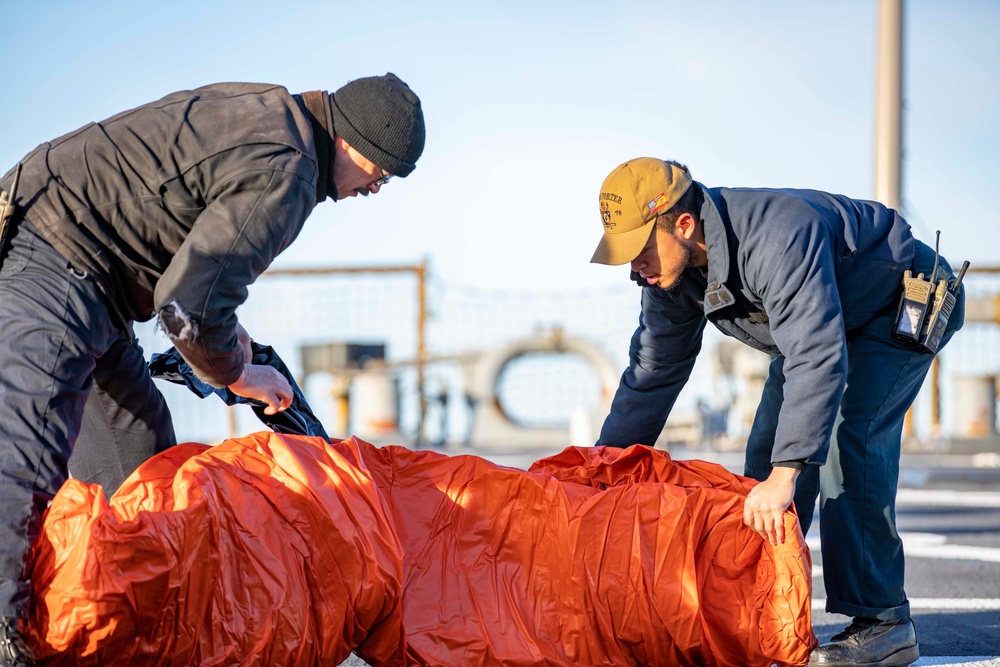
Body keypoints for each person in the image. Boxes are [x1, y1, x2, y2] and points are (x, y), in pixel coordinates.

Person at [0, 72, 425, 666]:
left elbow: (194, 269)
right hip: (51, 253)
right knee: (27, 452)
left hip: (104, 287)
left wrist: (236, 341)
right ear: (354, 142)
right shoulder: (291, 169)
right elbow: (188, 307)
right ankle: (9, 631)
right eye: (380, 173)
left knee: (138, 453)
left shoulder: (273, 117)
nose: (375, 188)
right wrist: (239, 378)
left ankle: (109, 622)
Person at [589, 158, 965, 667]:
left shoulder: (778, 235)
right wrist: (600, 470)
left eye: (638, 250)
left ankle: (884, 623)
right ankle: (760, 606)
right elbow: (653, 371)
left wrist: (788, 473)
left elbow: (816, 353)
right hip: (823, 328)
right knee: (767, 455)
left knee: (843, 444)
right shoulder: (667, 274)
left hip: (894, 306)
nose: (634, 266)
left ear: (683, 225)